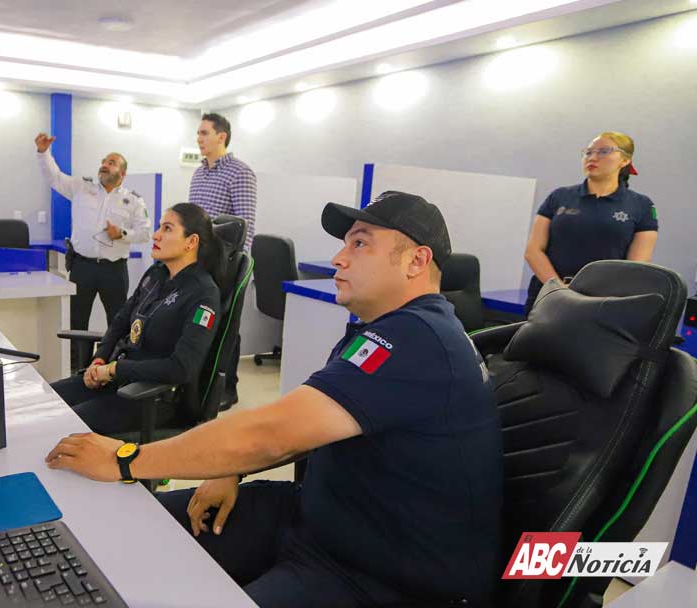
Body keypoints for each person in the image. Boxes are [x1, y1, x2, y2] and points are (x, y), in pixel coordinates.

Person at [45, 192, 502, 607]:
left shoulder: (416, 338)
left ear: (416, 261)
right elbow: (310, 424)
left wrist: (126, 459)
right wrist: (231, 466)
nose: (339, 258)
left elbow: (271, 433)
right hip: (317, 518)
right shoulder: (384, 328)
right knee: (138, 524)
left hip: (378, 573)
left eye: (360, 244)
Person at [49, 203, 223, 436]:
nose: (156, 235)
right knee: (45, 403)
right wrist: (99, 360)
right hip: (117, 379)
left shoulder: (203, 294)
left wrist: (115, 370)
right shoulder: (155, 275)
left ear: (191, 242)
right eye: (160, 227)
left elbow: (181, 368)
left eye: (168, 229)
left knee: (60, 425)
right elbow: (121, 322)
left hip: (152, 396)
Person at [35, 133, 153, 368]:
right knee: (77, 323)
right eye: (104, 161)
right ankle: (77, 370)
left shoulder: (133, 201)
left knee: (118, 323)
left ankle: (111, 368)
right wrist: (43, 153)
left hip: (114, 271)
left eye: (111, 162)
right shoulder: (82, 186)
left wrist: (122, 234)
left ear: (122, 173)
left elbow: (146, 232)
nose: (104, 165)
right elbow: (54, 178)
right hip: (82, 267)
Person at [523, 131, 658, 314]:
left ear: (625, 160)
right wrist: (558, 289)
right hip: (550, 296)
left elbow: (635, 265)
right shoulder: (559, 196)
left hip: (604, 303)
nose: (593, 157)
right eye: (588, 152)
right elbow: (533, 251)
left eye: (604, 151)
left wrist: (597, 296)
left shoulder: (641, 205)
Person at [189, 112, 257, 406]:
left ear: (222, 136)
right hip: (197, 261)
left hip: (226, 265)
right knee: (201, 323)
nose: (199, 139)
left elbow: (247, 227)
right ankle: (202, 382)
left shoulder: (240, 172)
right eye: (198, 133)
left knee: (228, 325)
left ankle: (228, 388)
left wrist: (234, 270)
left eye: (204, 133)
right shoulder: (199, 173)